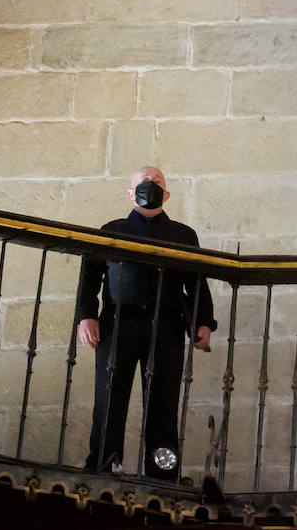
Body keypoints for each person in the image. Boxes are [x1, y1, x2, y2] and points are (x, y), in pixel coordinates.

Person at [76, 166, 216, 480]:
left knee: (163, 405)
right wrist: (87, 316)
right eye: (143, 181)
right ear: (130, 192)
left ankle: (163, 475)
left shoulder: (183, 235)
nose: (150, 185)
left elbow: (196, 283)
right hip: (117, 323)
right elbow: (90, 278)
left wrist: (203, 322)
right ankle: (102, 469)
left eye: (156, 182)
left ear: (166, 195)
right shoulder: (110, 230)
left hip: (165, 327)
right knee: (109, 399)